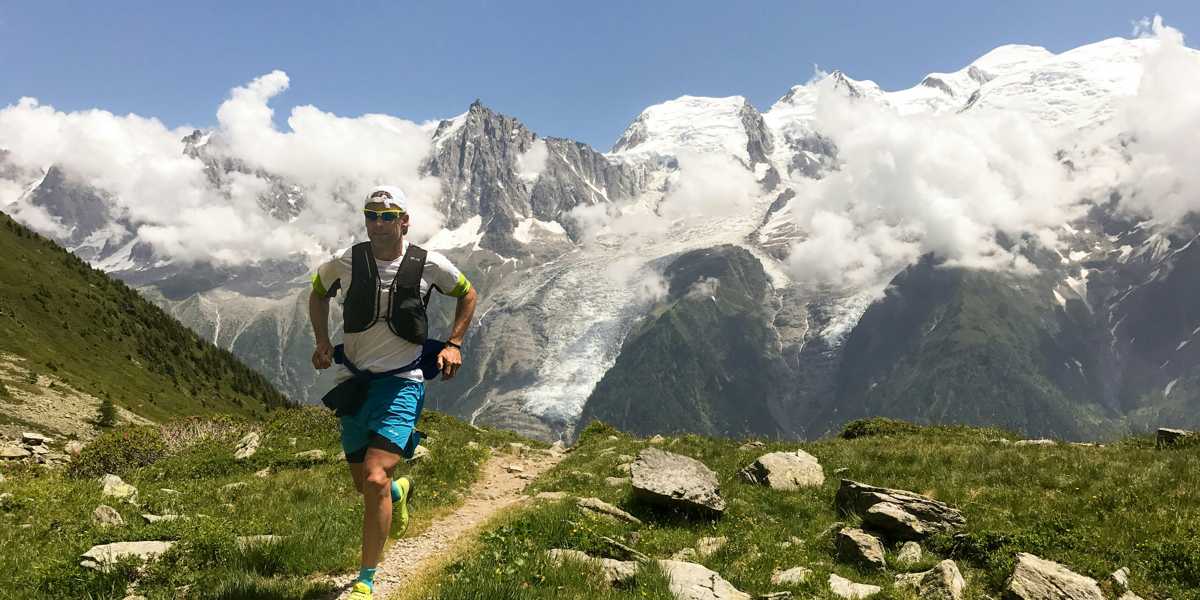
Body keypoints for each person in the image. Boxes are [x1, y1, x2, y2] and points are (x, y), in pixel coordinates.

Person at [309, 185, 477, 600]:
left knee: (375, 475)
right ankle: (400, 493)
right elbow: (316, 292)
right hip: (355, 381)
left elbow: (468, 293)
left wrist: (454, 343)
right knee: (363, 485)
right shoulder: (347, 261)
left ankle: (366, 578)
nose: (380, 223)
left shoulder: (429, 264)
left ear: (404, 221)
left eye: (389, 216)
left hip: (403, 382)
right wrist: (321, 341)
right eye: (372, 215)